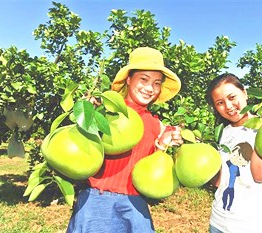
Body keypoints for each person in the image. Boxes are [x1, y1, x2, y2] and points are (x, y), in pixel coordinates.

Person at [67, 47, 183, 233]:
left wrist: (163, 145)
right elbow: (80, 149)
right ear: (129, 79)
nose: (149, 88)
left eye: (156, 83)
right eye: (143, 79)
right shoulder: (106, 112)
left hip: (134, 204)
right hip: (97, 201)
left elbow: (150, 170)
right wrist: (87, 113)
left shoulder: (155, 125)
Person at [206, 73, 262, 233]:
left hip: (253, 225)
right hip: (219, 222)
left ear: (245, 93)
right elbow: (219, 181)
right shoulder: (223, 132)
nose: (228, 106)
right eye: (220, 103)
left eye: (232, 97)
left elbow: (260, 176)